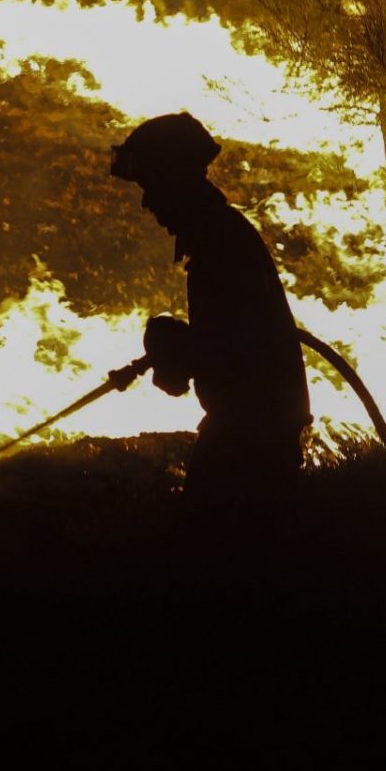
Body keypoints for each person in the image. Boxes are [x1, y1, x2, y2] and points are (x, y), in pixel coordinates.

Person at [109, 113, 311, 510]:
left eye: (151, 185)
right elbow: (230, 340)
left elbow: (236, 351)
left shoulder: (221, 246)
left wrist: (176, 349)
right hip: (254, 430)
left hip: (251, 439)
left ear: (175, 179)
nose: (147, 201)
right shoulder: (218, 238)